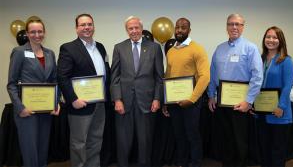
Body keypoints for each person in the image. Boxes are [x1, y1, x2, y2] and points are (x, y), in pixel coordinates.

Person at [207, 13, 263, 167]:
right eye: (231, 24)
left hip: (240, 104)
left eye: (238, 24)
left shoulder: (250, 48)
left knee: (240, 142)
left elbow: (257, 77)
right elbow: (212, 74)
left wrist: (249, 101)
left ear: (243, 27)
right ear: (226, 27)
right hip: (221, 103)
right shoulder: (219, 49)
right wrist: (211, 96)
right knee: (225, 140)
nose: (234, 27)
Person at [57, 13, 111, 167]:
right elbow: (62, 77)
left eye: (89, 24)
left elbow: (106, 71)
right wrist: (73, 99)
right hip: (80, 104)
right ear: (76, 28)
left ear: (93, 26)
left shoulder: (100, 47)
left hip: (100, 103)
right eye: (83, 25)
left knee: (96, 139)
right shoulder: (68, 48)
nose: (87, 27)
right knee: (79, 143)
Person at [110, 16, 164, 167]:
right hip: (124, 103)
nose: (134, 31)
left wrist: (157, 98)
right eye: (130, 28)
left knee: (145, 142)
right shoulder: (119, 47)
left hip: (146, 103)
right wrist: (117, 99)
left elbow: (159, 77)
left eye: (136, 28)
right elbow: (115, 77)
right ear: (127, 30)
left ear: (141, 28)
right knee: (123, 142)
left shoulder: (154, 48)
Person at [7, 19, 60, 167]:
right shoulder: (19, 52)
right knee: (30, 152)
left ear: (44, 32)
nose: (37, 35)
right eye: (33, 32)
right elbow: (11, 83)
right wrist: (20, 108)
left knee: (43, 150)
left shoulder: (50, 53)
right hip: (27, 111)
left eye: (40, 31)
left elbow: (54, 81)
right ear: (27, 33)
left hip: (45, 110)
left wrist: (56, 102)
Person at [162, 18, 210, 167]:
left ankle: (195, 163)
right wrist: (166, 100)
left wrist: (192, 99)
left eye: (183, 28)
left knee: (192, 135)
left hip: (191, 102)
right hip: (174, 103)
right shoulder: (170, 51)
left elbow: (205, 76)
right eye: (177, 27)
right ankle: (181, 162)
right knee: (179, 135)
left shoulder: (197, 49)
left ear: (189, 30)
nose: (179, 30)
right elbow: (168, 76)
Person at [257, 26, 293, 167]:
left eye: (274, 37)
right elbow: (256, 84)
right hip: (262, 113)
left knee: (277, 153)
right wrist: (252, 104)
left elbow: (287, 85)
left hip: (279, 114)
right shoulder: (260, 59)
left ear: (280, 40)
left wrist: (281, 106)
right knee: (264, 152)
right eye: (268, 37)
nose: (271, 40)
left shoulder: (286, 60)